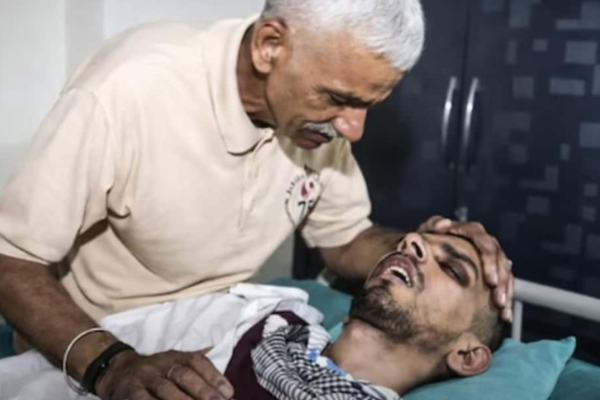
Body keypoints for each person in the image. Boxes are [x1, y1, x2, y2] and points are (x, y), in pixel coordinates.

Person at [0, 1, 513, 399]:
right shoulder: (129, 91)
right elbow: (10, 257)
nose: (353, 129)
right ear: (270, 47)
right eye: (339, 98)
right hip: (97, 344)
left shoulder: (316, 120)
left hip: (227, 329)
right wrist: (110, 366)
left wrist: (429, 246)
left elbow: (345, 240)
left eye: (368, 105)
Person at [0, 230, 504, 400]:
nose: (413, 243)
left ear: (467, 355)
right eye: (416, 241)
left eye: (451, 269)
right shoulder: (264, 317)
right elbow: (41, 381)